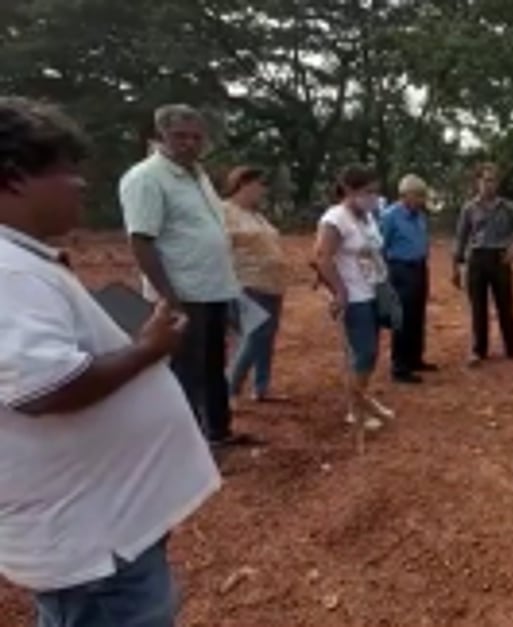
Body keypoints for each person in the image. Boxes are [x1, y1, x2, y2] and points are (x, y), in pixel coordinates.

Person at [0, 97, 220, 627]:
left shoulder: (20, 262)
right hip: (94, 548)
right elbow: (45, 387)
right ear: (12, 179)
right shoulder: (9, 273)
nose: (81, 184)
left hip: (101, 532)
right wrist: (147, 348)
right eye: (66, 171)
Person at [119, 104, 254, 448]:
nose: (190, 143)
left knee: (213, 366)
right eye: (180, 136)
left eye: (196, 137)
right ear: (160, 135)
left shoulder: (199, 174)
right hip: (183, 293)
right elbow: (141, 240)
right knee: (186, 372)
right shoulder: (146, 178)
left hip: (214, 288)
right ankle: (187, 448)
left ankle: (218, 433)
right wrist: (169, 298)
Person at [313, 165, 395, 431]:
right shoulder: (335, 219)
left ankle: (362, 398)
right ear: (349, 190)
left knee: (369, 355)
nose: (372, 197)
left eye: (375, 192)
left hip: (373, 291)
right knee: (363, 353)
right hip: (355, 297)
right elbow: (322, 257)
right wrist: (339, 290)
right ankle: (355, 407)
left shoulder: (367, 217)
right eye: (367, 191)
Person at [451, 162, 513, 366]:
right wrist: (455, 267)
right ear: (477, 182)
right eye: (486, 180)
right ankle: (479, 350)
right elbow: (460, 238)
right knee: (478, 307)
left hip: (500, 258)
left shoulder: (507, 207)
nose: (490, 185)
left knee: (506, 306)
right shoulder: (469, 208)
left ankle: (512, 349)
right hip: (477, 259)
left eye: (493, 180)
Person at [223, 166, 288, 403]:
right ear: (244, 184)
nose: (263, 190)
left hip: (272, 284)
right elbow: (223, 247)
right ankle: (230, 386)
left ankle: (262, 387)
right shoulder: (226, 211)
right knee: (255, 335)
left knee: (267, 336)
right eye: (260, 185)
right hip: (246, 283)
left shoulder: (256, 215)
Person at [380, 174, 437, 383]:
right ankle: (400, 365)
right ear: (405, 195)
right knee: (402, 317)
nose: (422, 200)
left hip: (419, 268)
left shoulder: (420, 215)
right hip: (400, 269)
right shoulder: (390, 216)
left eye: (423, 196)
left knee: (418, 315)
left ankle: (415, 358)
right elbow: (381, 247)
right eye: (419, 195)